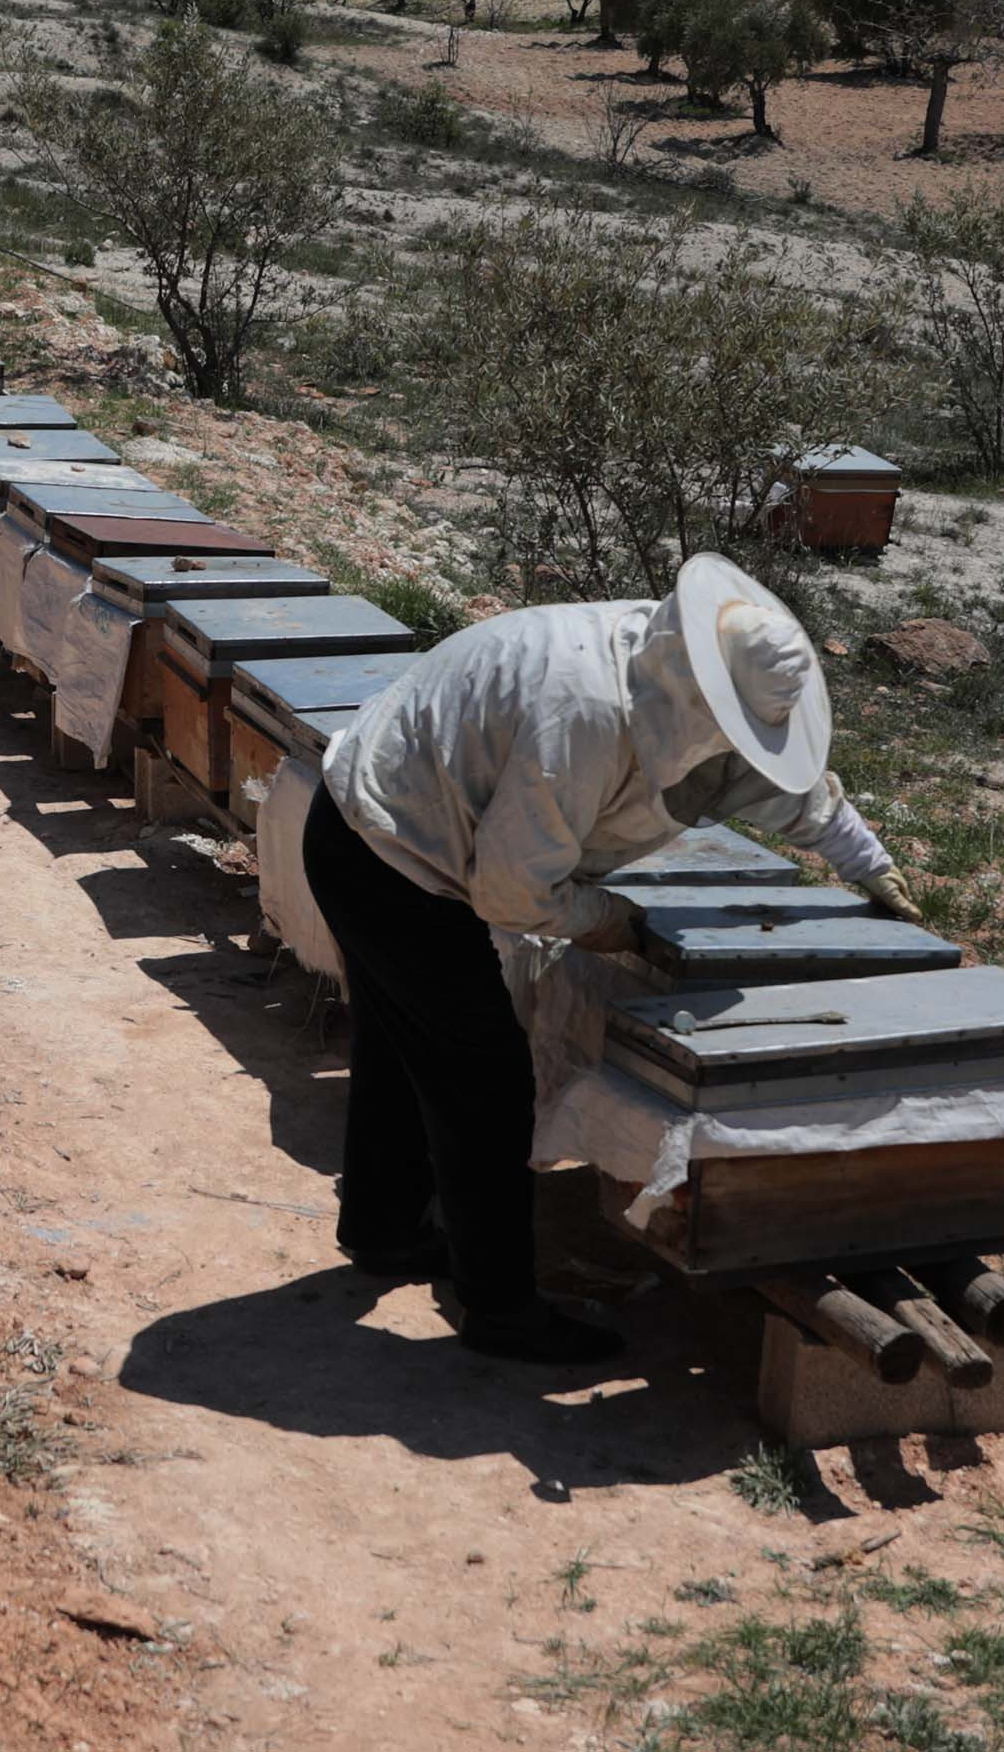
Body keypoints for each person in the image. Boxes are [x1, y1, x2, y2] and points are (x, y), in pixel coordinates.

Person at [306, 554, 916, 1365]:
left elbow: (787, 792)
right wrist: (612, 923)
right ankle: (500, 1308)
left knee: (401, 1039)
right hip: (382, 848)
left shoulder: (683, 676)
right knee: (485, 1078)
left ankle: (383, 1228)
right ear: (703, 701)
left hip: (390, 831)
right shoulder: (583, 711)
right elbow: (512, 894)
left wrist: (870, 863)